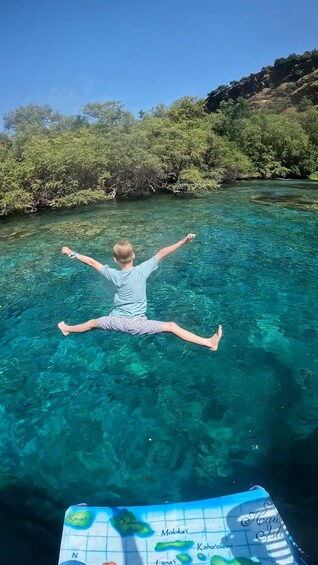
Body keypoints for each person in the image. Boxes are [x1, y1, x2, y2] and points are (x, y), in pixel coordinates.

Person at [58, 235, 222, 351]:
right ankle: (208, 342)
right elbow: (162, 253)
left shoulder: (114, 274)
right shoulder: (143, 270)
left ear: (115, 260)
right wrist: (183, 241)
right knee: (172, 327)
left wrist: (72, 253)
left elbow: (92, 262)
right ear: (134, 255)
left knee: (92, 323)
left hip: (114, 320)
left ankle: (67, 329)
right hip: (135, 324)